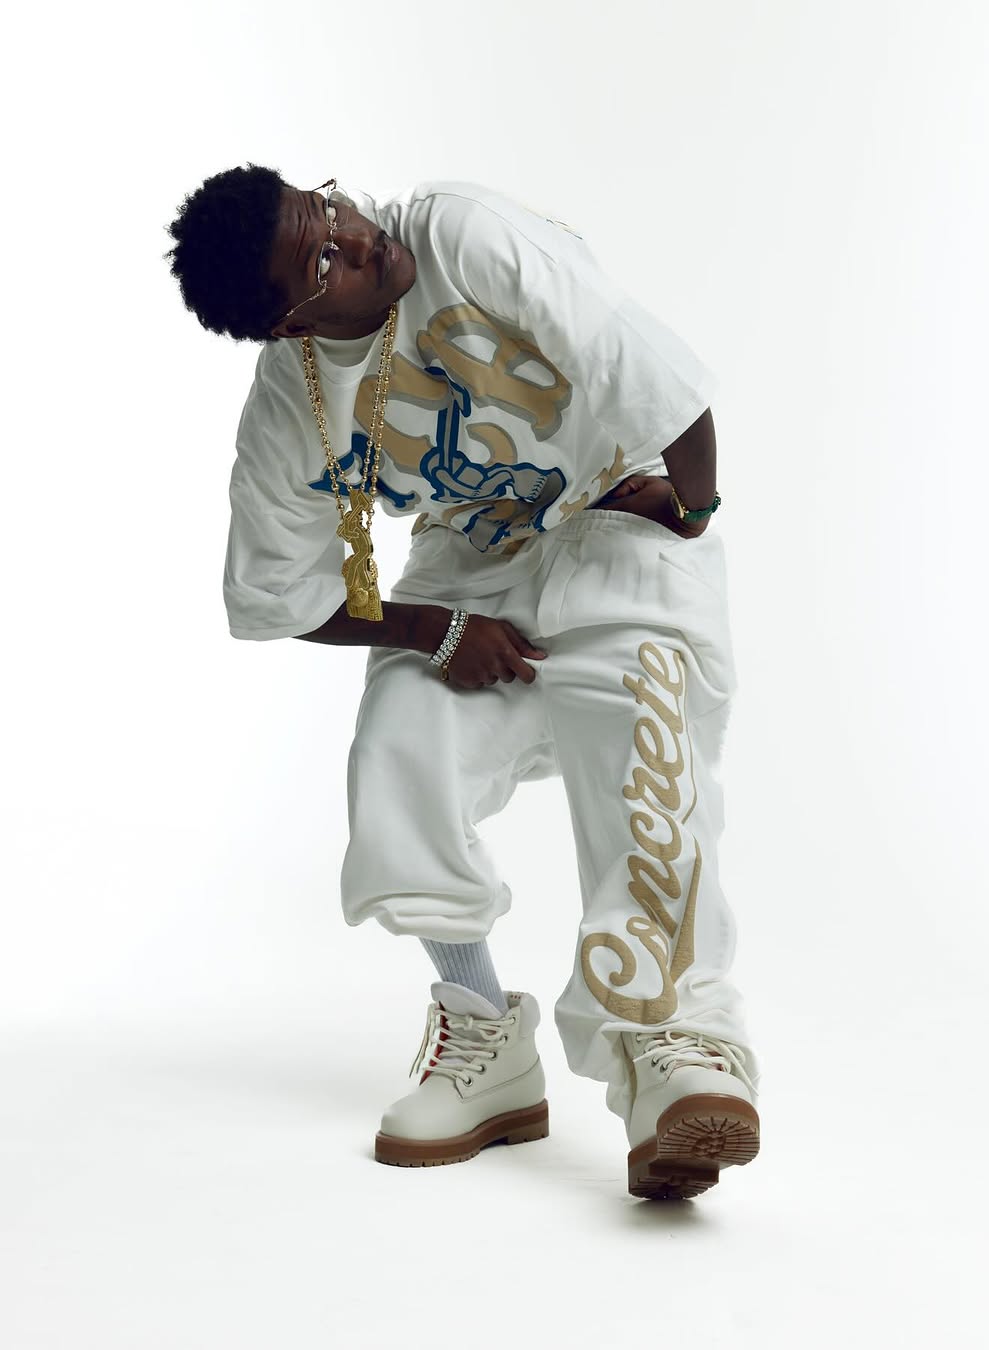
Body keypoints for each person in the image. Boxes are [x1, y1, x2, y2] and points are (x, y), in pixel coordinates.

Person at [164, 164, 763, 1200]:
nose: (357, 237)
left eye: (330, 207)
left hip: (619, 519)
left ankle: (679, 1048)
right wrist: (434, 631)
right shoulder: (290, 403)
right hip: (471, 563)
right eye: (323, 258)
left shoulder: (458, 233)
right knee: (401, 750)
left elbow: (659, 380)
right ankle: (486, 1043)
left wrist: (694, 511)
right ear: (288, 325)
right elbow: (274, 595)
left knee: (643, 751)